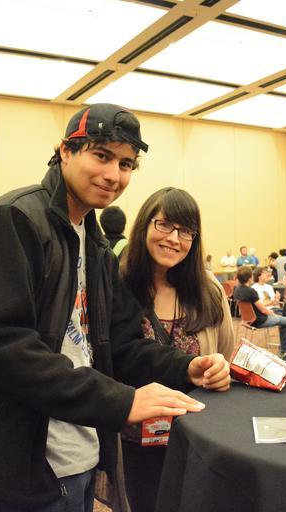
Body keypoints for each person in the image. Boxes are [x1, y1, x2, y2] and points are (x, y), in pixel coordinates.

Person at [0, 103, 230, 512]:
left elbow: (120, 343)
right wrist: (122, 402)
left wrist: (185, 367)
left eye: (126, 164)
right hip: (27, 455)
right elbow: (4, 348)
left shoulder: (94, 242)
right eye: (101, 155)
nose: (113, 175)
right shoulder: (13, 219)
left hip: (80, 444)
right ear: (65, 150)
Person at [119, 187, 234, 512]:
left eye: (185, 231)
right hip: (134, 441)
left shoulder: (208, 290)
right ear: (145, 224)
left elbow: (226, 353)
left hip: (197, 440)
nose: (174, 238)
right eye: (165, 225)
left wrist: (220, 371)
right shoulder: (119, 285)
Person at [234, 266, 286, 359]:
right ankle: (285, 350)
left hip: (250, 320)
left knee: (283, 321)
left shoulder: (237, 290)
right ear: (249, 278)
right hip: (261, 320)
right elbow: (263, 310)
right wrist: (272, 313)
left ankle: (284, 348)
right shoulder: (251, 291)